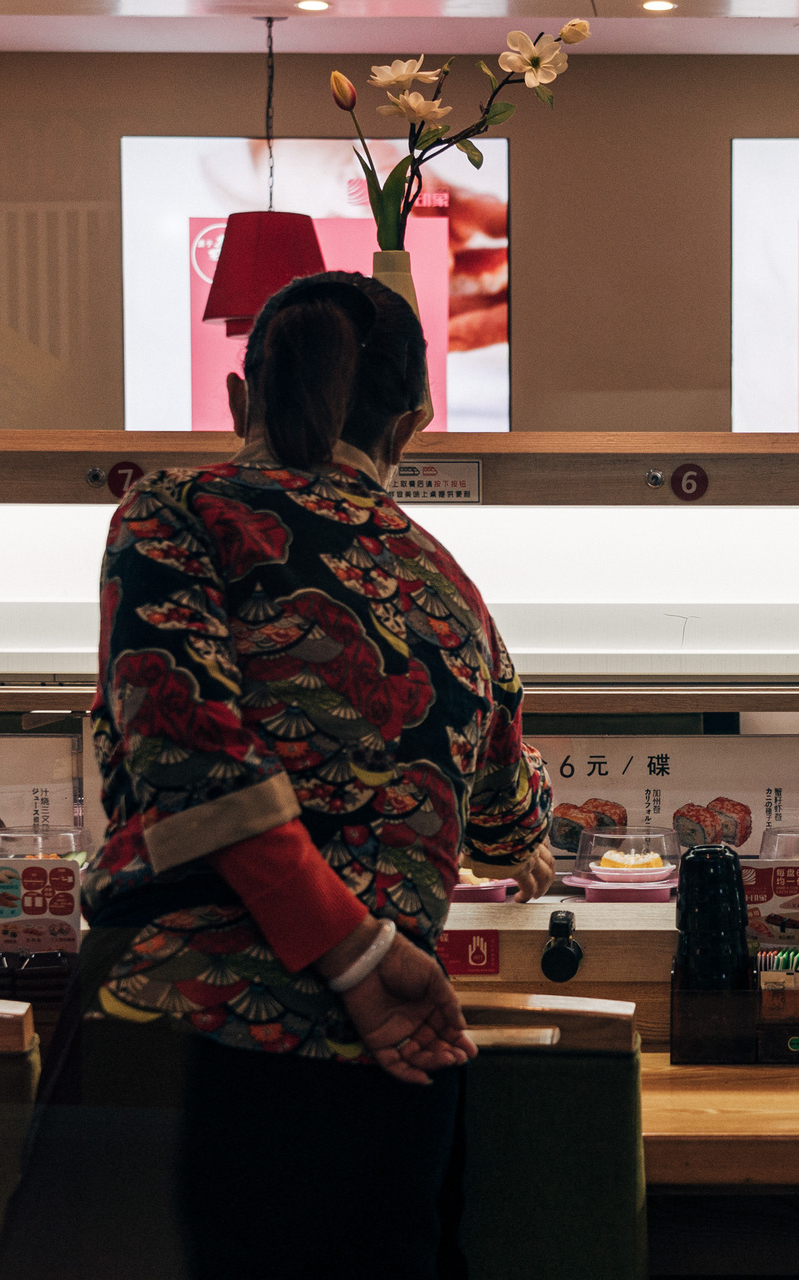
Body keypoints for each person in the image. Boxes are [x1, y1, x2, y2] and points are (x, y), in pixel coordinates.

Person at [85, 272, 554, 1278]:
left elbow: (192, 763)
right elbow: (506, 806)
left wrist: (351, 953)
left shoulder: (172, 512)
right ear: (415, 423)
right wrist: (524, 853)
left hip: (197, 1037)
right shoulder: (446, 579)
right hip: (399, 1058)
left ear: (239, 399)